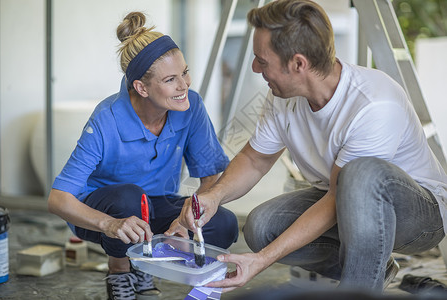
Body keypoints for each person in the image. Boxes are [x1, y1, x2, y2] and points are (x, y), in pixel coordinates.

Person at [174, 0, 447, 293]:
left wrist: (262, 261)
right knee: (261, 226)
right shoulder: (282, 95)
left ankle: (358, 290)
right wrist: (214, 197)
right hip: (342, 198)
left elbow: (337, 199)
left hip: (418, 216)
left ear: (298, 64)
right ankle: (373, 269)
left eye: (262, 61)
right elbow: (256, 160)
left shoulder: (374, 104)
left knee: (360, 175)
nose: (255, 68)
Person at [47, 11, 238, 300]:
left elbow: (211, 175)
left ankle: (194, 287)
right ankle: (120, 270)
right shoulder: (107, 118)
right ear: (142, 87)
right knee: (130, 199)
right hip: (105, 211)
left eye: (184, 72)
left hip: (156, 205)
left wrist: (186, 220)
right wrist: (110, 224)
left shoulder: (191, 106)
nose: (184, 85)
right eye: (171, 79)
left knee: (223, 222)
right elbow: (58, 199)